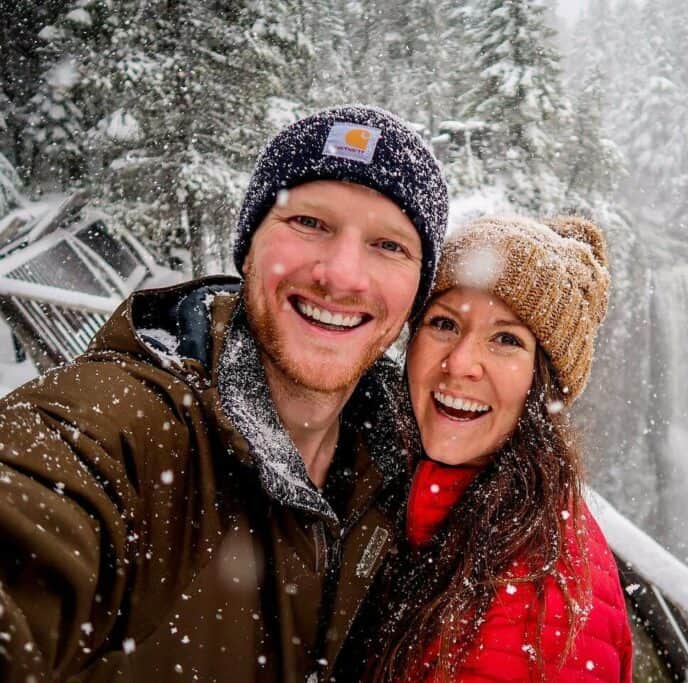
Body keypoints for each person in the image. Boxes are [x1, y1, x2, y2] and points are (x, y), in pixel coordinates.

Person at [0, 105, 448, 681]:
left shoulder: (405, 457)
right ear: (249, 247)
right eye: (310, 223)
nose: (341, 276)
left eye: (390, 246)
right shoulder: (131, 429)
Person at [343, 215, 633, 682]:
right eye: (444, 323)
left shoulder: (541, 594)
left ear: (543, 385)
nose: (460, 363)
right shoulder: (398, 485)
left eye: (505, 339)